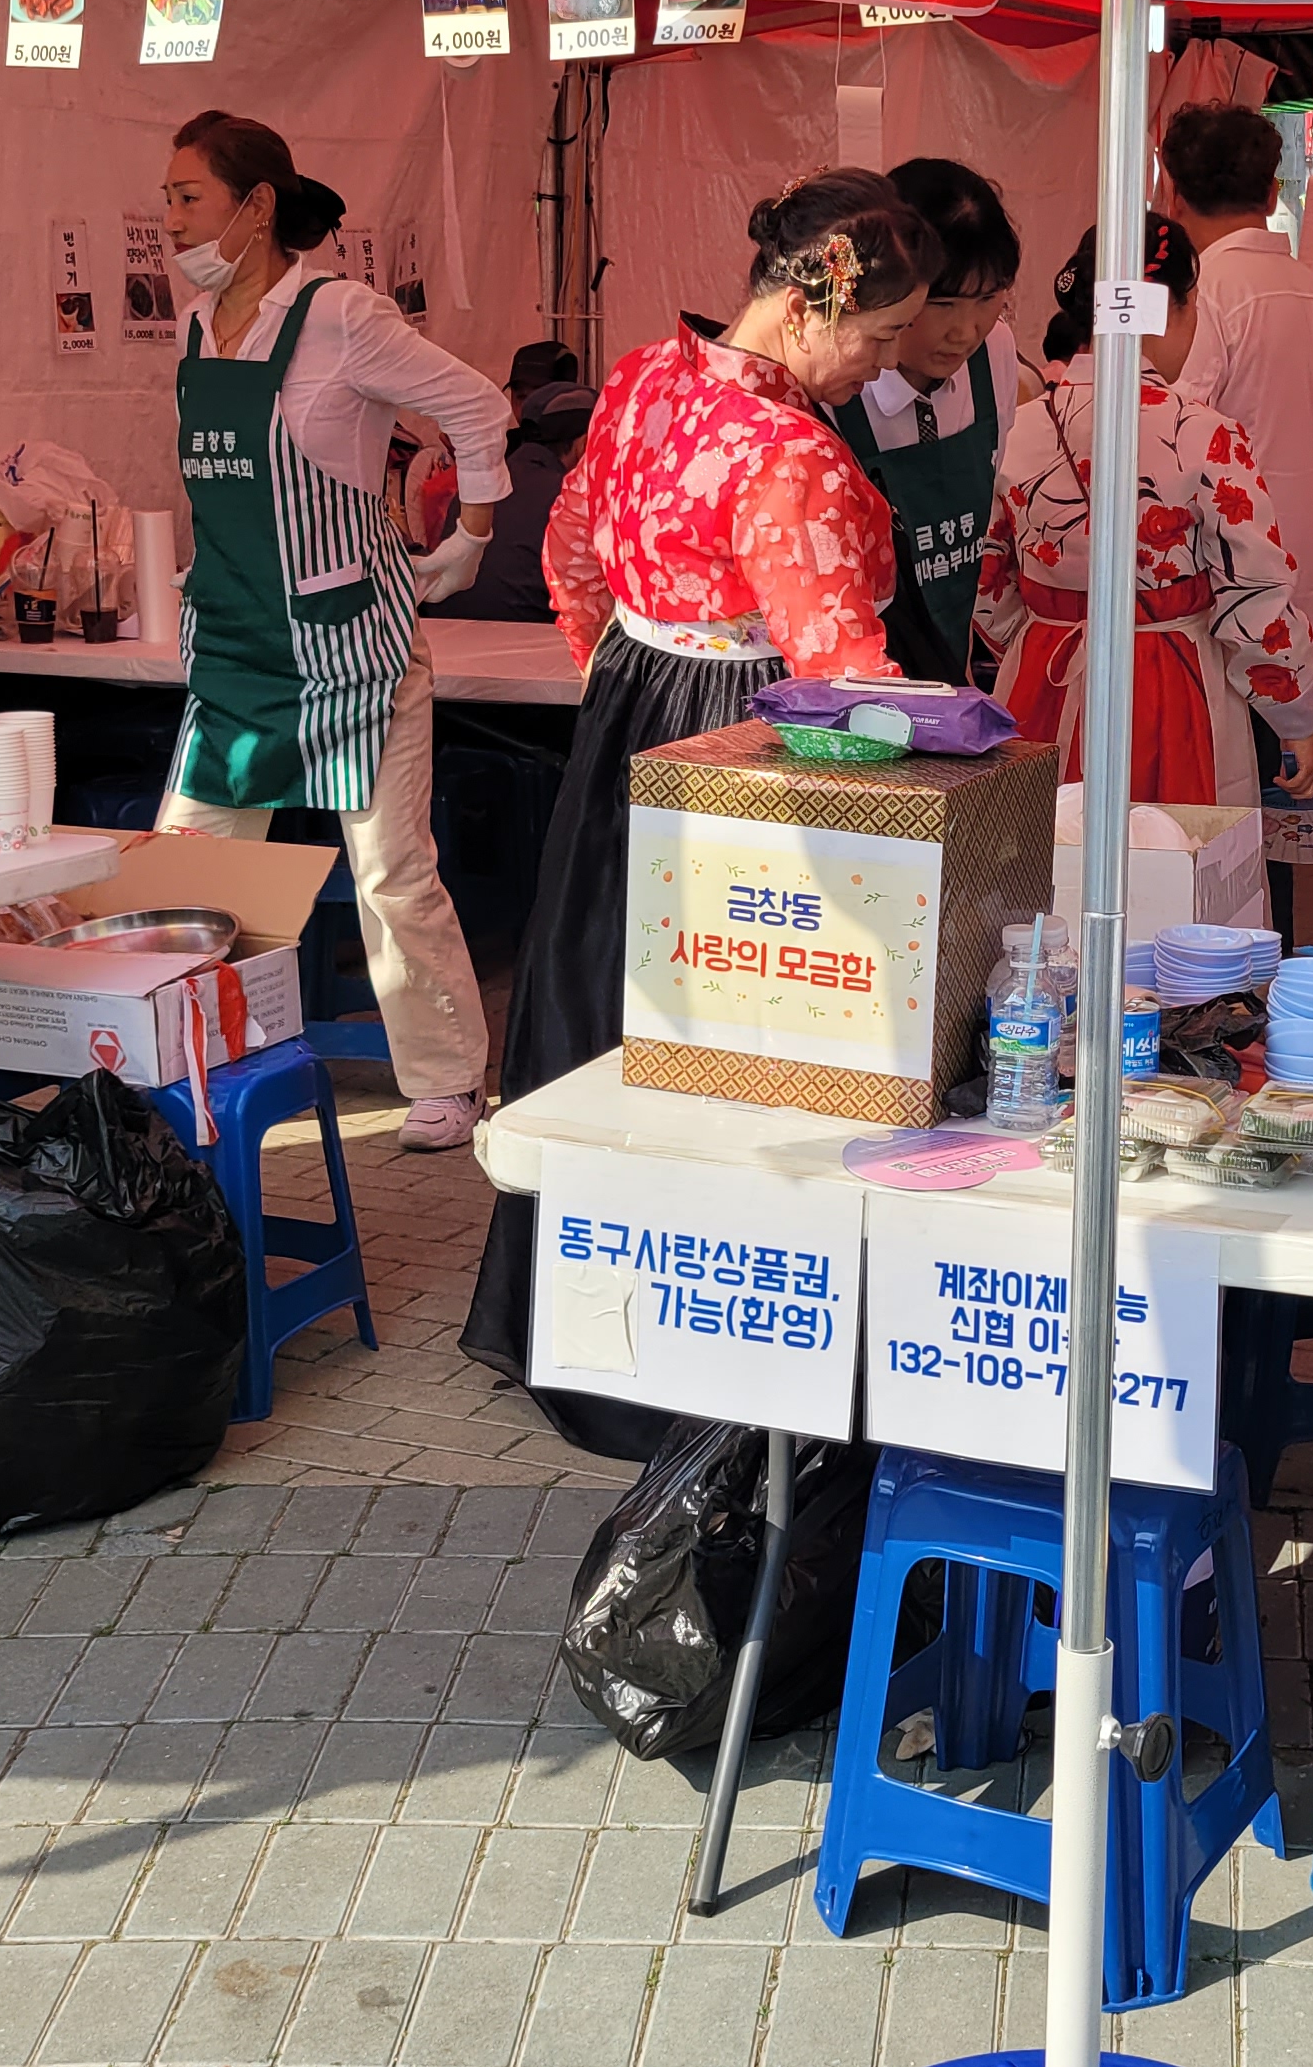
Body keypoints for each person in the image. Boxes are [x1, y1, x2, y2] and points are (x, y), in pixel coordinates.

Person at [459, 172, 935, 1434]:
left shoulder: (641, 379)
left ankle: (574, 1320)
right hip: (743, 737)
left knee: (599, 1003)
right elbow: (841, 678)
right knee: (732, 1029)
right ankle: (706, 1351)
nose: (882, 366)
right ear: (816, 306)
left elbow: (571, 553)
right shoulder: (791, 453)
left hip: (628, 703)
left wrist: (615, 674)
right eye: (882, 336)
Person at [156, 110, 507, 1153]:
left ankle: (448, 1080)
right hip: (235, 649)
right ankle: (177, 1067)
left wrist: (472, 530)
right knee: (188, 877)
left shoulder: (340, 314)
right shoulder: (194, 326)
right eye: (167, 198)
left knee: (390, 876)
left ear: (257, 206)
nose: (170, 218)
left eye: (188, 197)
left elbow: (477, 406)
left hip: (352, 647)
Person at [977, 218, 1313, 808]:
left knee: (1039, 847)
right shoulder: (1205, 434)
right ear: (1172, 309)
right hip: (1171, 683)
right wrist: (1297, 716)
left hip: (1041, 674)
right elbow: (1255, 598)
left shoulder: (1017, 428)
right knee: (1169, 847)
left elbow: (989, 586)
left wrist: (1042, 632)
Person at [1164, 105, 1313, 679]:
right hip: (1296, 580)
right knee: (1282, 725)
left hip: (1205, 586)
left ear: (1173, 196)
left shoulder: (1198, 297)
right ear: (1272, 195)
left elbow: (1169, 439)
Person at [832, 155, 1023, 683]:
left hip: (957, 660)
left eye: (987, 299)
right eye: (942, 304)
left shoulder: (996, 353)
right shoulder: (837, 388)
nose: (966, 331)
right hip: (863, 671)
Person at [426, 358, 593, 620]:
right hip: (535, 636)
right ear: (584, 446)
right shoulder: (572, 499)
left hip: (443, 634)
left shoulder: (480, 485)